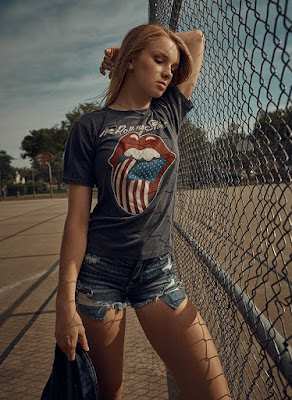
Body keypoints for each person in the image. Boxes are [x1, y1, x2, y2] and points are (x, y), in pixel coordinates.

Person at [55, 24, 231, 400]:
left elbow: (197, 38)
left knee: (213, 392)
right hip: (99, 273)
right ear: (132, 63)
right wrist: (64, 304)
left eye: (173, 64)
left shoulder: (168, 111)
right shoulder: (90, 127)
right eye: (159, 60)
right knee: (110, 392)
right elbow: (77, 220)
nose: (169, 71)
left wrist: (126, 48)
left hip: (157, 273)